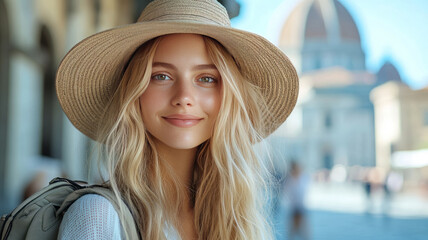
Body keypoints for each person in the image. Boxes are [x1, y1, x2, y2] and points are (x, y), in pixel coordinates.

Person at [55, 0, 299, 239]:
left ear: (229, 97)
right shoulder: (99, 218)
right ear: (133, 93)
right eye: (161, 76)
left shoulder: (240, 219)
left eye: (206, 79)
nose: (184, 97)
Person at [283, 161, 310, 240]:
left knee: (304, 229)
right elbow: (287, 192)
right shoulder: (290, 179)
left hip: (301, 206)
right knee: (293, 229)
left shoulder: (303, 178)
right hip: (294, 207)